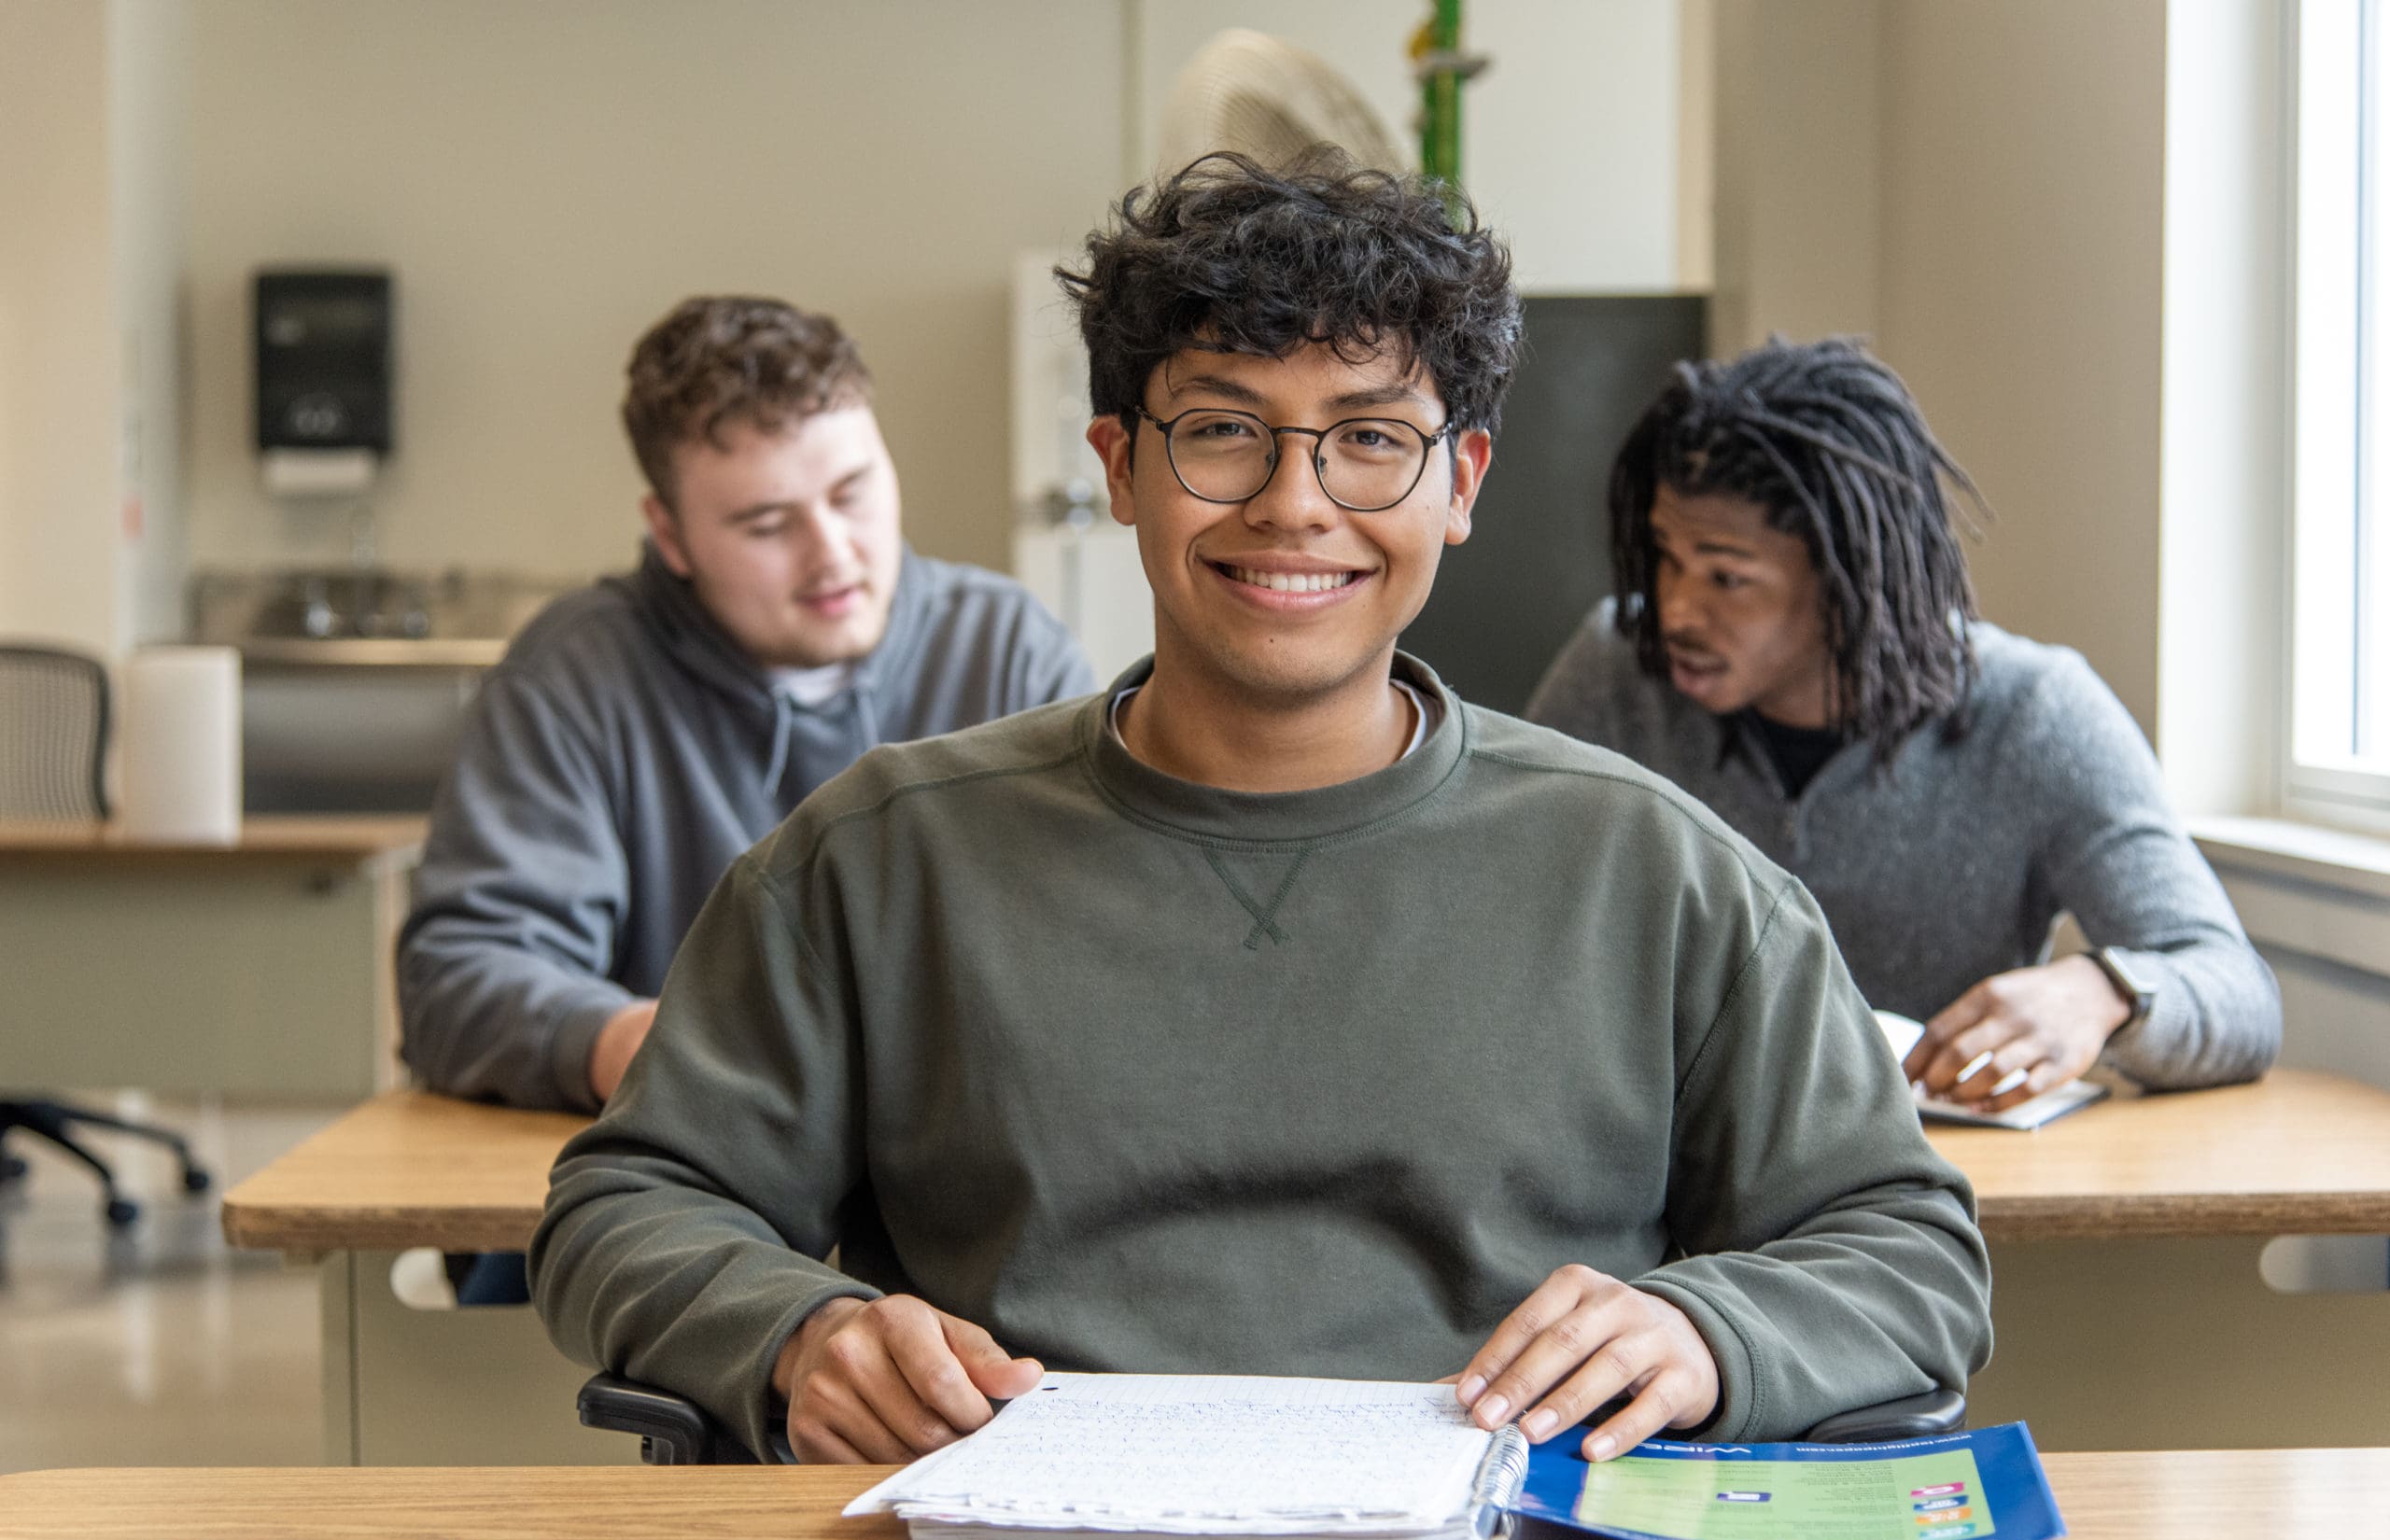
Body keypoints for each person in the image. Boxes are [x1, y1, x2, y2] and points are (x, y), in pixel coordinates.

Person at [532, 156, 1990, 1471]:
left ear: (1460, 481)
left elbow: (1908, 1251)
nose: (1297, 504)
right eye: (1225, 432)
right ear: (1121, 465)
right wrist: (794, 1336)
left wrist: (1709, 1337)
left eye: (1370, 441)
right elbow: (630, 1205)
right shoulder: (877, 860)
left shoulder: (1664, 878)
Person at [1527, 337, 2280, 1112]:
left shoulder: (2036, 712)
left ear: (1851, 574)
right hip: (1664, 1181)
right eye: (1664, 556)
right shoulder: (1617, 669)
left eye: (1728, 575)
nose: (1677, 609)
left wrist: (2103, 992)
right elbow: (1506, 917)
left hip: (1934, 1198)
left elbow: (2238, 994)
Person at [400, 295, 1094, 1115]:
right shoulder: (573, 678)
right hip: (676, 1181)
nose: (833, 554)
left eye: (853, 493)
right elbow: (460, 974)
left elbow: (1094, 946)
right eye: (767, 524)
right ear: (670, 535)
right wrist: (619, 1041)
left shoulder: (1006, 653)